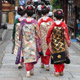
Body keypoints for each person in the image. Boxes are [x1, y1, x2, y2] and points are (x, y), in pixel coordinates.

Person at [46, 10, 71, 76]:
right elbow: (67, 35)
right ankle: (61, 71)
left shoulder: (53, 25)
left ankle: (56, 71)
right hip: (62, 44)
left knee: (55, 57)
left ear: (55, 17)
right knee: (62, 57)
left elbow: (48, 34)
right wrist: (68, 42)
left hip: (54, 44)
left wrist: (48, 41)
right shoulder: (63, 25)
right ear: (62, 17)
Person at [19, 5, 40, 77]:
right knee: (32, 55)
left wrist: (20, 39)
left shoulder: (23, 22)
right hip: (33, 41)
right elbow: (38, 32)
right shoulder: (35, 22)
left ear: (26, 13)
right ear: (33, 13)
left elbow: (20, 32)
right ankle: (31, 70)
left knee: (26, 56)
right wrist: (39, 41)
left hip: (25, 41)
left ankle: (28, 71)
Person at [38, 5, 54, 71]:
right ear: (48, 13)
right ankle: (47, 64)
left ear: (41, 13)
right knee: (47, 51)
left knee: (42, 50)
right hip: (48, 37)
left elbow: (37, 29)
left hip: (41, 37)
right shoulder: (51, 20)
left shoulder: (40, 20)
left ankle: (42, 63)